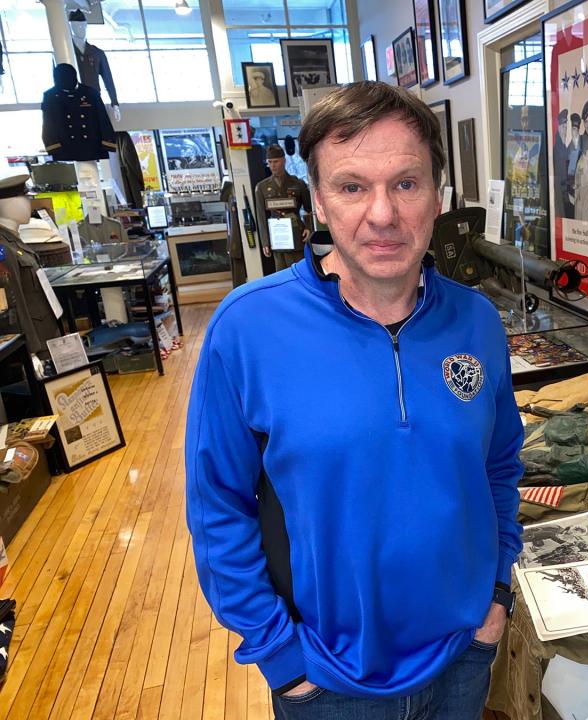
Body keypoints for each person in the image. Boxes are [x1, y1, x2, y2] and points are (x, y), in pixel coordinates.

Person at [186, 82, 524, 719]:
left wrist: (497, 594)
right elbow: (216, 510)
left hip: (463, 658)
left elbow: (500, 466)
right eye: (351, 186)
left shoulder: (476, 322)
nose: (382, 214)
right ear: (317, 199)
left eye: (406, 183)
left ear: (438, 195)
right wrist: (281, 658)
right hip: (325, 682)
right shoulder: (248, 329)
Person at [254, 143, 313, 272]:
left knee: (300, 272)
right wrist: (265, 241)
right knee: (281, 275)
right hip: (277, 237)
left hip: (297, 235)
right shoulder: (262, 187)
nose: (272, 166)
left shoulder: (298, 184)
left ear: (284, 161)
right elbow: (261, 217)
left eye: (276, 161)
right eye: (269, 162)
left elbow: (309, 209)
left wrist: (309, 227)